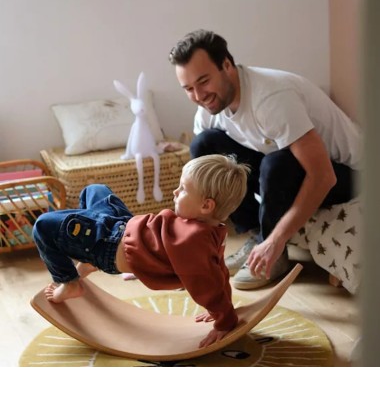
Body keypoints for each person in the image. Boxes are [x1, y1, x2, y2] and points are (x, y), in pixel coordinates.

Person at [168, 29, 361, 290]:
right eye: (189, 89)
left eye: (203, 81)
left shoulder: (271, 99)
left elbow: (323, 176)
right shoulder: (208, 110)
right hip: (292, 163)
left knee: (275, 165)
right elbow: (201, 181)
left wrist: (277, 238)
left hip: (351, 173)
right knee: (205, 147)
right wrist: (183, 251)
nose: (199, 96)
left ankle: (272, 247)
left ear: (227, 65)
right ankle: (253, 235)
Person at [32, 154, 250, 348]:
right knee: (95, 190)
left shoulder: (193, 241)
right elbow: (218, 271)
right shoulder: (214, 230)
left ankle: (69, 282)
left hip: (108, 246)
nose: (175, 192)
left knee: (43, 225)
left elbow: (206, 281)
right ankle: (88, 261)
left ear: (206, 206)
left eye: (183, 189)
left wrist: (224, 320)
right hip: (122, 226)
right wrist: (220, 310)